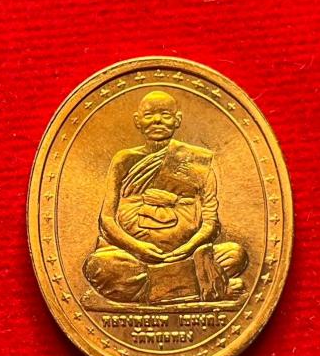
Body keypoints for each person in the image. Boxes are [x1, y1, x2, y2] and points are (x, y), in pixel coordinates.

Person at [83, 90, 248, 303]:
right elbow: (106, 220)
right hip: (133, 256)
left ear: (177, 120)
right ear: (138, 121)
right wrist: (137, 247)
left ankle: (158, 288)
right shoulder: (124, 160)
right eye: (149, 114)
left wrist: (186, 249)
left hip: (185, 255)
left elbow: (210, 223)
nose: (157, 120)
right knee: (99, 267)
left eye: (165, 114)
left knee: (235, 255)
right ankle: (207, 284)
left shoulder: (197, 161)